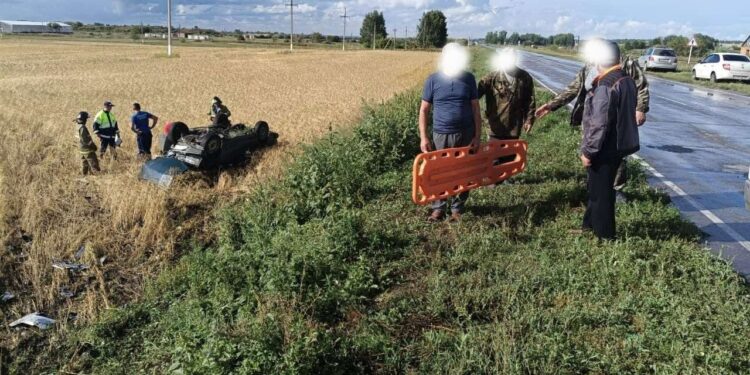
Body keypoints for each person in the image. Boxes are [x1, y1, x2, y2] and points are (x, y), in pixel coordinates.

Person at [535, 40, 650, 201]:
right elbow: (573, 89)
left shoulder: (626, 64)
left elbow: (641, 86)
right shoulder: (589, 66)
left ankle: (615, 189)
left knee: (616, 154)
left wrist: (640, 109)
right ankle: (595, 187)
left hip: (616, 117)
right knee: (591, 150)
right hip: (592, 116)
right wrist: (551, 106)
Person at [579, 40, 640, 240]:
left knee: (601, 194)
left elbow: (599, 123)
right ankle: (589, 226)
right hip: (618, 145)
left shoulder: (606, 83)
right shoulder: (625, 79)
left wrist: (589, 151)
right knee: (597, 190)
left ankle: (604, 236)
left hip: (604, 147)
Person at [419, 42, 482, 223]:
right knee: (440, 171)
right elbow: (424, 110)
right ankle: (438, 208)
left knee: (463, 171)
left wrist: (477, 136)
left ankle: (457, 209)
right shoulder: (433, 80)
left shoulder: (469, 79)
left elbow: (476, 109)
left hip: (466, 133)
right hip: (441, 134)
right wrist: (424, 137)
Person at [477, 48, 536, 142]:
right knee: (493, 156)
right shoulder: (491, 77)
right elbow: (474, 95)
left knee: (510, 155)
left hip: (514, 128)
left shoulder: (524, 77)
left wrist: (529, 120)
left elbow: (529, 100)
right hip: (494, 127)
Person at [74, 111, 100, 176]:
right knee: (94, 163)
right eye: (86, 119)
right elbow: (86, 139)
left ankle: (84, 176)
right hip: (87, 149)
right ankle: (98, 176)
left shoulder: (77, 126)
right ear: (84, 119)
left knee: (84, 164)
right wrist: (93, 146)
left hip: (81, 149)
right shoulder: (82, 127)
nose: (86, 120)